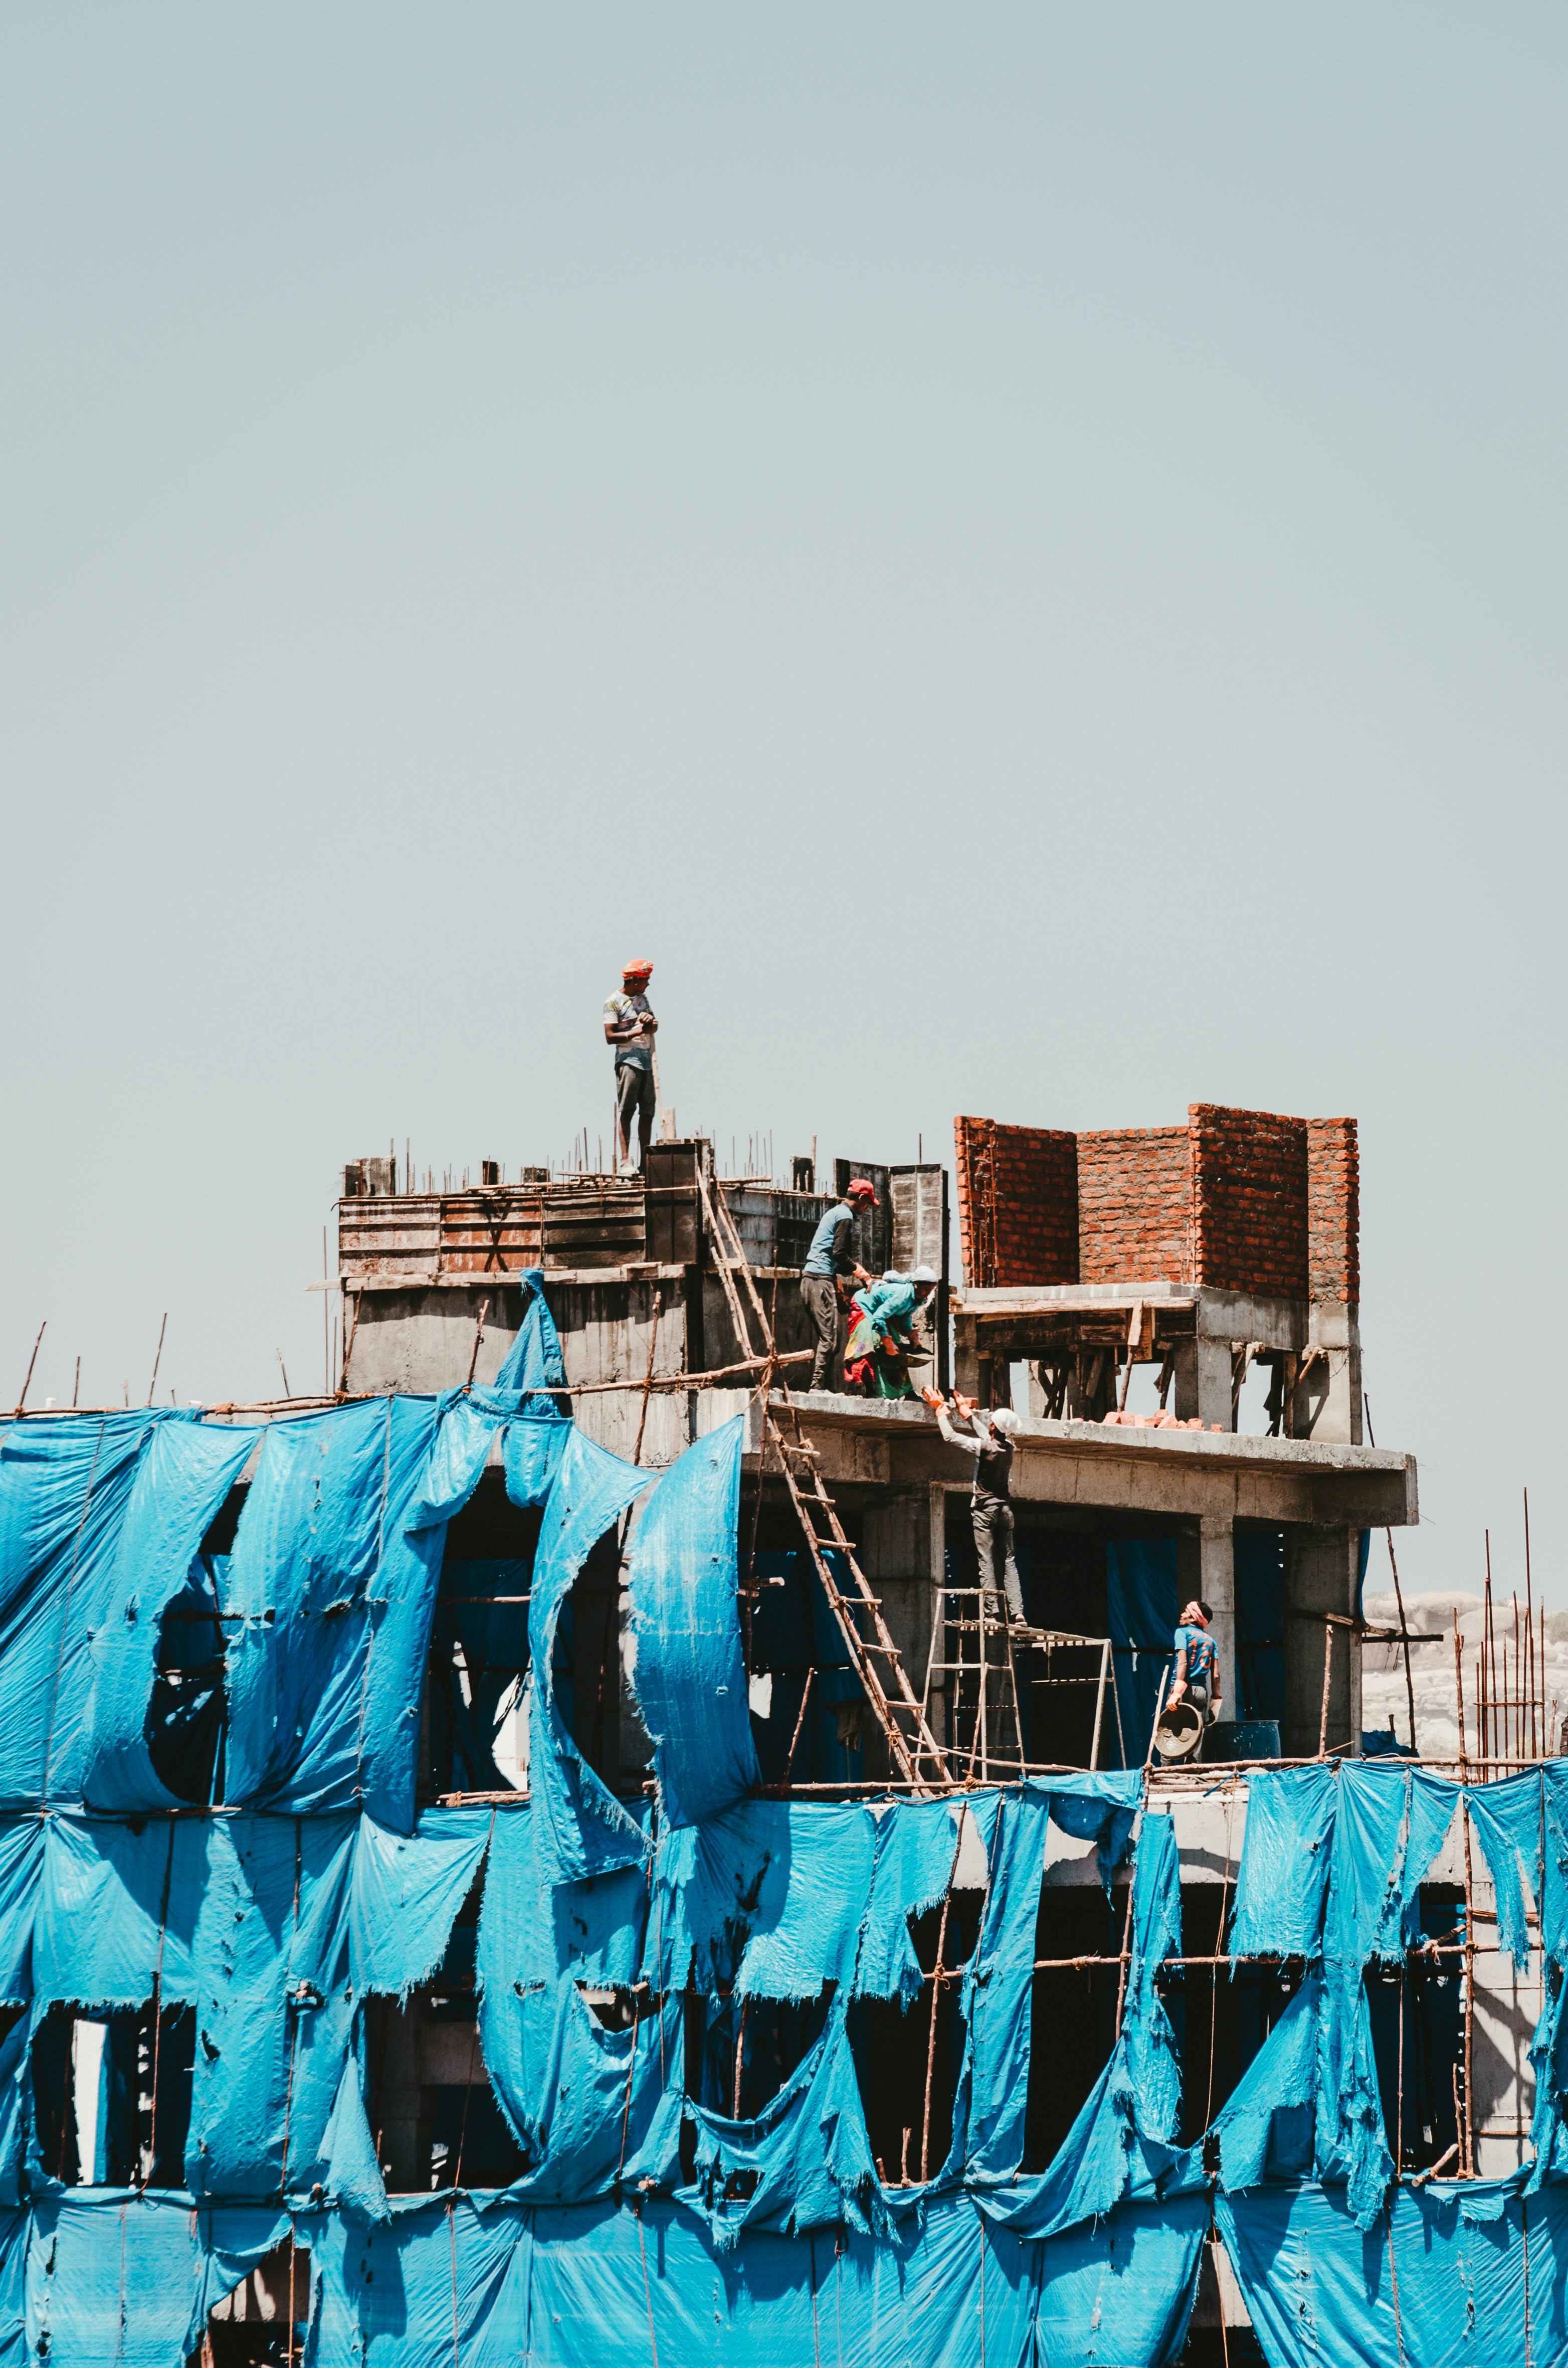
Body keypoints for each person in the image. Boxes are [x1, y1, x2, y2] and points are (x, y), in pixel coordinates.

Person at [920, 1387, 1032, 1633]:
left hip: (985, 1511)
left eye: (991, 1422)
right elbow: (989, 1435)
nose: (989, 1423)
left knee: (987, 1560)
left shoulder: (986, 1448)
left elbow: (950, 1437)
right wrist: (967, 1414)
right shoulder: (1009, 1448)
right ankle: (1018, 1613)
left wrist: (942, 1412)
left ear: (995, 1427)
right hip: (1005, 1510)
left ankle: (992, 1613)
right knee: (1010, 1561)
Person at [801, 1179, 877, 1391]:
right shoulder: (846, 1216)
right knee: (830, 1340)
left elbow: (830, 1259)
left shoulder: (834, 1212)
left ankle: (819, 1385)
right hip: (818, 1281)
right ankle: (817, 1387)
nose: (867, 1208)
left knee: (828, 1339)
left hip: (814, 1279)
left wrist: (840, 1292)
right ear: (862, 1199)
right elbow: (839, 1254)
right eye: (868, 1204)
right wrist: (863, 1275)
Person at [845, 1269, 937, 1399]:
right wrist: (887, 1341)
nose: (928, 1294)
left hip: (880, 1312)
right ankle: (870, 1391)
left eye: (931, 1290)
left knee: (898, 1350)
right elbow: (878, 1317)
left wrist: (910, 1333)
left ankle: (908, 1392)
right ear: (916, 1284)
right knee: (867, 1345)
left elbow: (904, 1315)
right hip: (864, 1306)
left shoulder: (919, 1298)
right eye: (927, 1289)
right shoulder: (902, 1295)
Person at [604, 959, 658, 1171]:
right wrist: (637, 1030)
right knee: (627, 1110)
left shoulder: (642, 999)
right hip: (628, 1061)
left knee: (647, 1112)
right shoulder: (613, 1002)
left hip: (647, 1060)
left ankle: (646, 1161)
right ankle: (625, 1161)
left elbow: (653, 1025)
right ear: (635, 981)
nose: (648, 984)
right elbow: (609, 1037)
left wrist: (649, 1022)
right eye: (646, 980)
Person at [1168, 1599, 1222, 1732]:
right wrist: (1215, 1701)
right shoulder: (1211, 1641)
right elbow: (1216, 1676)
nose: (1182, 1614)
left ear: (1193, 1617)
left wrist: (1176, 1693)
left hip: (1183, 1689)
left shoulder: (1182, 1633)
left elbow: (1183, 1662)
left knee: (1173, 1737)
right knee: (1195, 1737)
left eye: (1186, 1612)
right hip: (1201, 1693)